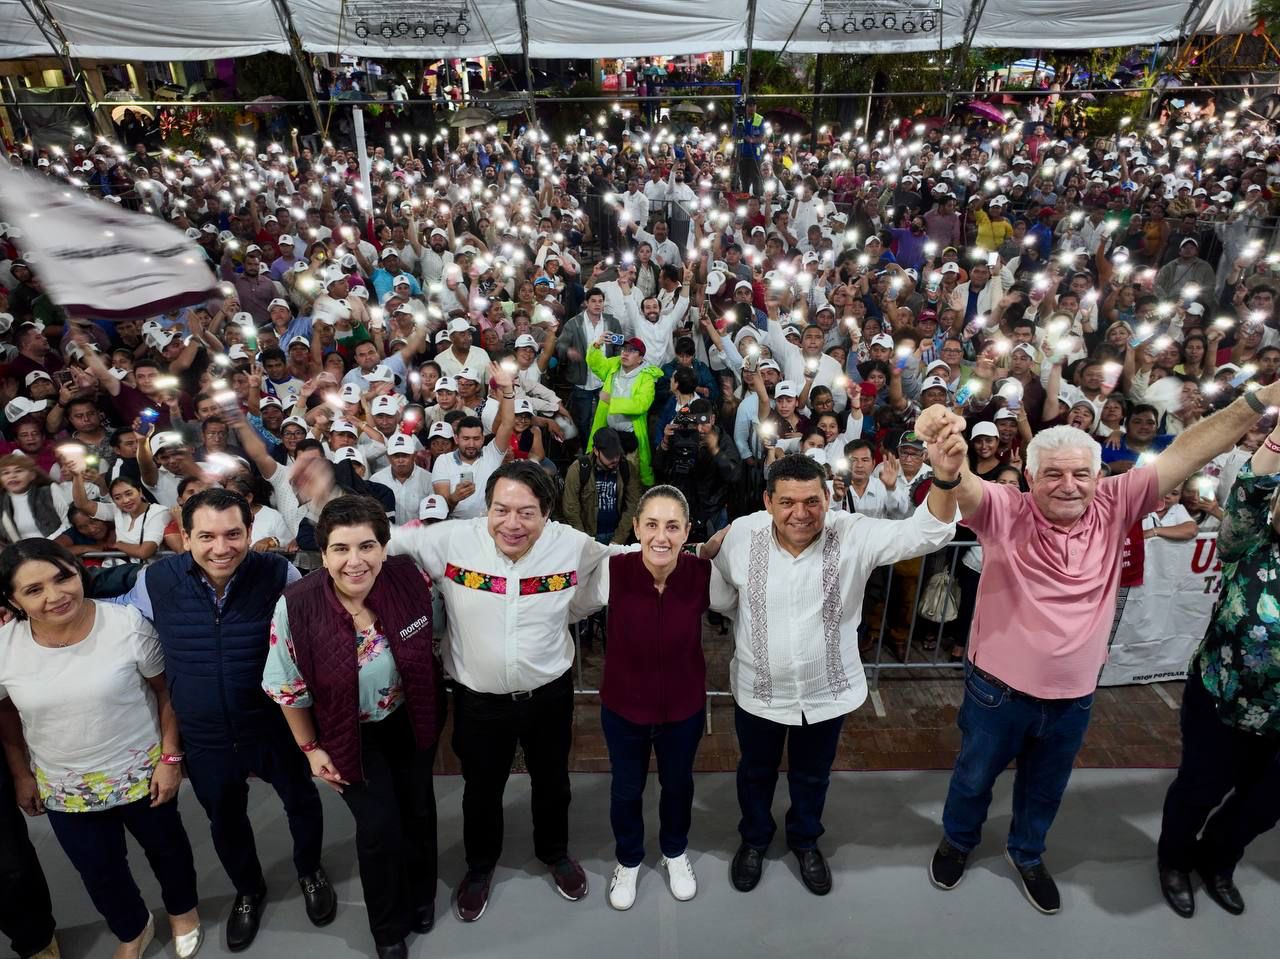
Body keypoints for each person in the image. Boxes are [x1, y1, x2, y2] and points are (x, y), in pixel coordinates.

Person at [918, 379, 1280, 915]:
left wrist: (1260, 399)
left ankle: (1027, 853)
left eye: (1081, 473)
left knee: (1045, 790)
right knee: (973, 779)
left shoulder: (1116, 501)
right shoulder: (1005, 509)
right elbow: (966, 489)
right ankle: (958, 841)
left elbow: (1193, 448)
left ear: (1099, 476)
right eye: (1054, 474)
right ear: (1032, 476)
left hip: (1074, 697)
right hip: (997, 692)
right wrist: (949, 466)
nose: (1069, 485)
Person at [709, 443, 964, 896]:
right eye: (786, 502)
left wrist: (944, 478)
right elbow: (724, 597)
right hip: (759, 687)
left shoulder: (854, 532)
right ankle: (754, 840)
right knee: (755, 772)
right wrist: (707, 548)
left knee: (813, 774)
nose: (800, 513)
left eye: (812, 501)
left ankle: (806, 840)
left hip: (825, 690)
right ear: (767, 502)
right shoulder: (741, 537)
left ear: (829, 497)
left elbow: (927, 533)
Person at [387, 461, 614, 922]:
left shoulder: (571, 545)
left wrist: (701, 545)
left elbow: (624, 558)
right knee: (481, 789)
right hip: (478, 703)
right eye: (501, 510)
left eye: (527, 513)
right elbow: (380, 539)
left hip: (549, 697)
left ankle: (555, 853)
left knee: (553, 782)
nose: (512, 524)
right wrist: (324, 497)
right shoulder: (451, 540)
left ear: (547, 513)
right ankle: (479, 866)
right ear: (486, 508)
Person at [113, 487, 334, 952]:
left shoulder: (277, 571)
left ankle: (310, 871)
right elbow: (116, 625)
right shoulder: (157, 580)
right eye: (207, 536)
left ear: (250, 532)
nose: (221, 547)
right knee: (225, 821)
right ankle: (249, 890)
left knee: (301, 803)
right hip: (205, 735)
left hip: (274, 724)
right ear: (186, 537)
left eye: (234, 534)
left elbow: (315, 623)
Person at [0, 540, 202, 959]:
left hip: (141, 771)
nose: (55, 596)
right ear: (12, 600)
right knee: (98, 870)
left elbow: (166, 693)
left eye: (63, 577)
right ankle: (133, 927)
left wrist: (170, 758)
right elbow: (5, 716)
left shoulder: (125, 623)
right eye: (33, 590)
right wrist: (21, 774)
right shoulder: (5, 648)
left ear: (79, 571)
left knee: (167, 849)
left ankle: (183, 910)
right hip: (62, 785)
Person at [265, 496, 443, 959]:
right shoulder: (297, 605)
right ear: (322, 555)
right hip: (348, 733)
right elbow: (286, 686)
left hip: (410, 717)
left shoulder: (409, 578)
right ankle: (388, 928)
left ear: (385, 547)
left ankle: (422, 896)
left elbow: (429, 639)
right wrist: (310, 749)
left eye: (367, 546)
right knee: (380, 828)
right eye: (341, 549)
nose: (355, 561)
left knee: (419, 811)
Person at [576, 485, 736, 909]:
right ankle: (628, 859)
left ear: (687, 533)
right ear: (636, 528)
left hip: (683, 709)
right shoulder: (615, 570)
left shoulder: (704, 576)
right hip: (624, 708)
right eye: (651, 525)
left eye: (671, 526)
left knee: (678, 786)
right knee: (625, 789)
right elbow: (571, 607)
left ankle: (674, 851)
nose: (660, 536)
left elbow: (746, 605)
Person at [1156, 413, 1280, 918]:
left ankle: (1219, 861)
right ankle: (1173, 860)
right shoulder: (1249, 545)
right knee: (1200, 788)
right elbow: (1251, 489)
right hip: (1220, 699)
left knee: (1264, 806)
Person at [586, 335, 662, 485]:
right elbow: (595, 365)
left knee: (629, 481)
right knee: (605, 479)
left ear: (640, 358)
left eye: (632, 351)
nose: (625, 353)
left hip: (629, 438)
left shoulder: (647, 377)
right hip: (608, 432)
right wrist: (596, 345)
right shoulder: (614, 366)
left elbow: (641, 404)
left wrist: (611, 401)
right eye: (624, 349)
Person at [560, 427, 640, 544]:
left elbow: (633, 504)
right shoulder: (579, 469)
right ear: (596, 451)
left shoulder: (626, 468)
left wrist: (618, 539)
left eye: (617, 454)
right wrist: (583, 540)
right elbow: (570, 507)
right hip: (588, 535)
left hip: (617, 537)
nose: (615, 459)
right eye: (609, 456)